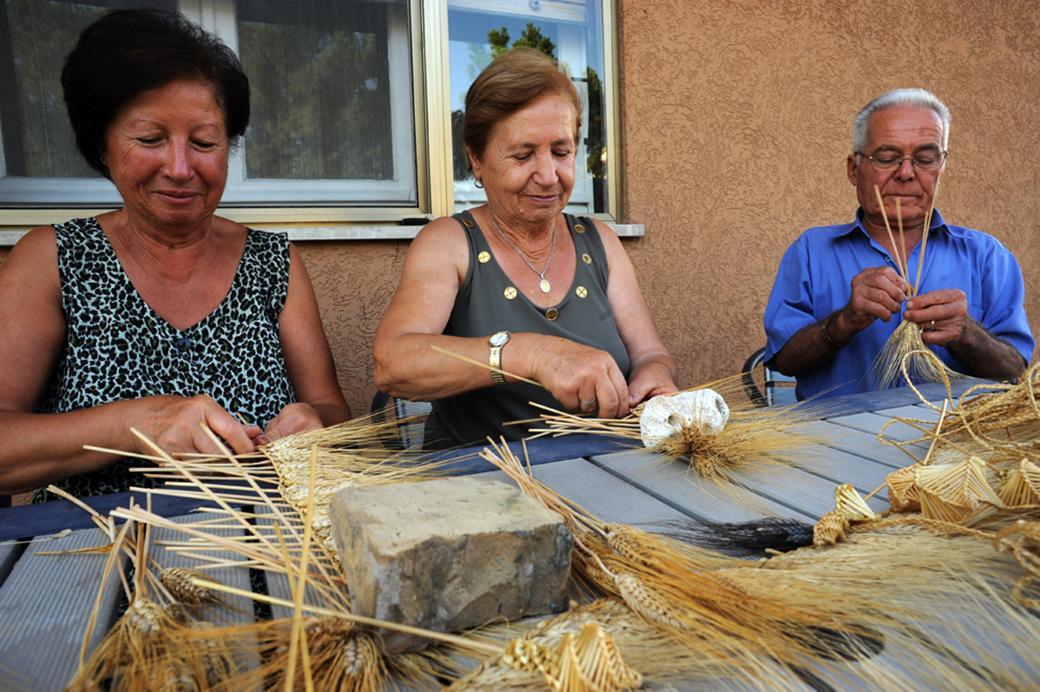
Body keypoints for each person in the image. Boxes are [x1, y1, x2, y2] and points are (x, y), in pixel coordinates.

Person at [0, 9, 350, 498]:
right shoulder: (53, 259)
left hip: (265, 550)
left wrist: (314, 424)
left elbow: (332, 412)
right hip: (94, 555)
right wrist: (136, 424)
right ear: (102, 145)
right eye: (150, 139)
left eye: (204, 141)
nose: (181, 167)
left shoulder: (274, 262)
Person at [373, 48, 677, 447]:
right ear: (476, 160)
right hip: (485, 485)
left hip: (610, 473)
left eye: (561, 152)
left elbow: (650, 355)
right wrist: (530, 354)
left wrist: (655, 377)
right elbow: (393, 363)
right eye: (523, 155)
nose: (549, 175)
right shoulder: (449, 244)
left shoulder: (599, 242)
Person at [764, 88, 1033, 400]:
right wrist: (845, 321)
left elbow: (1014, 368)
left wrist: (966, 334)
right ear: (854, 169)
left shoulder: (988, 256)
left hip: (956, 443)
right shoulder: (811, 251)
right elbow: (785, 360)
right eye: (887, 157)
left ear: (941, 168)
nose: (906, 173)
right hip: (835, 442)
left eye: (925, 158)